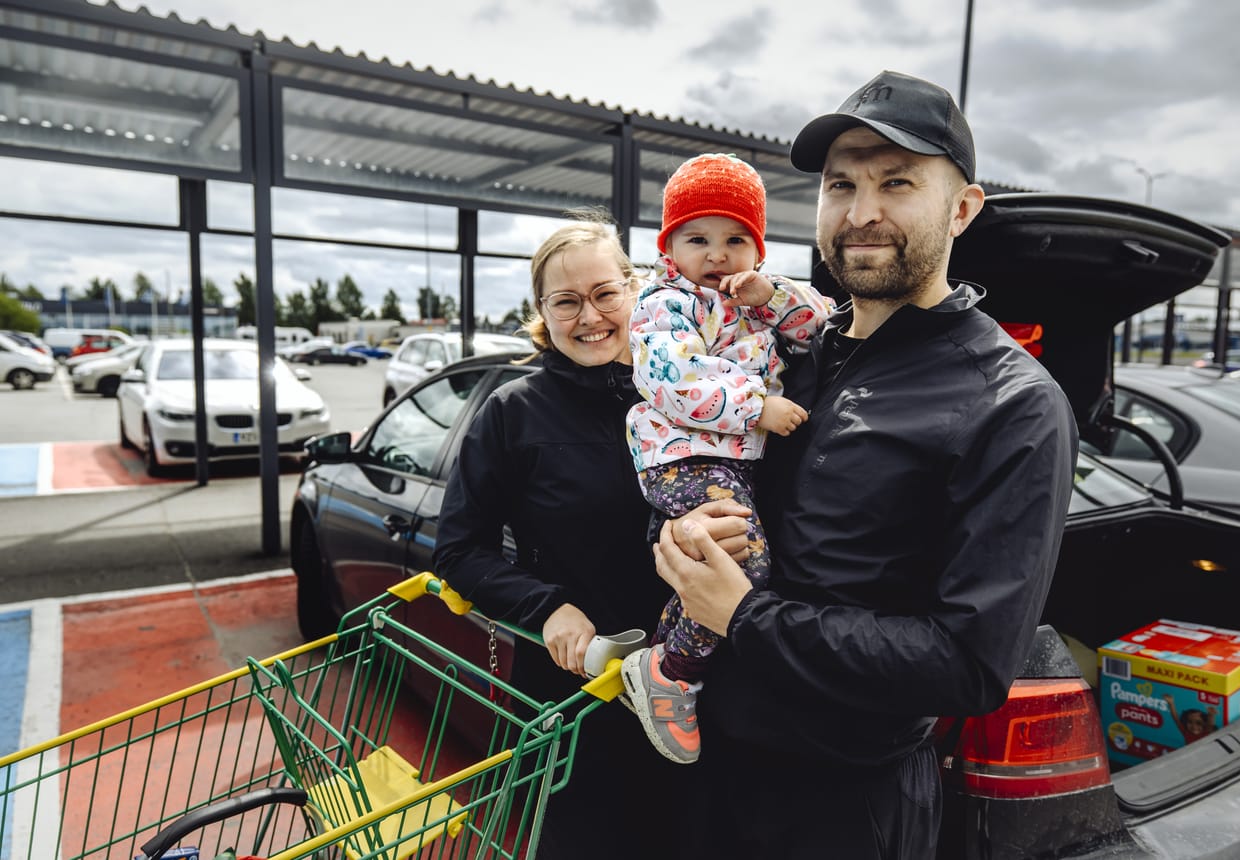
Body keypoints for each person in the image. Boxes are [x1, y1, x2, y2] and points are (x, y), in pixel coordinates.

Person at [652, 70, 1079, 858]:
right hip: (707, 765)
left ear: (962, 208)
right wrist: (685, 537)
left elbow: (966, 665)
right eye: (840, 184)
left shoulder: (1010, 402)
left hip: (844, 804)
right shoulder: (789, 353)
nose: (861, 212)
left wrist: (743, 615)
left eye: (897, 183)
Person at [431, 213, 750, 859]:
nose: (590, 317)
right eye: (566, 302)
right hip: (579, 695)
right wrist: (546, 606)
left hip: (701, 688)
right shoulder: (513, 413)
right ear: (543, 313)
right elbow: (460, 551)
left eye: (605, 293)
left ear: (635, 290)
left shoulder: (690, 394)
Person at [621, 153, 833, 765]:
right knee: (746, 566)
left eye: (736, 239)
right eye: (698, 238)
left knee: (736, 559)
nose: (717, 254)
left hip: (728, 461)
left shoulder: (754, 299)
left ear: (759, 250)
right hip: (682, 457)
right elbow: (673, 377)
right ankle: (672, 670)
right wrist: (757, 404)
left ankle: (666, 659)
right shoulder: (665, 303)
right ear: (670, 249)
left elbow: (819, 328)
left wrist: (772, 297)